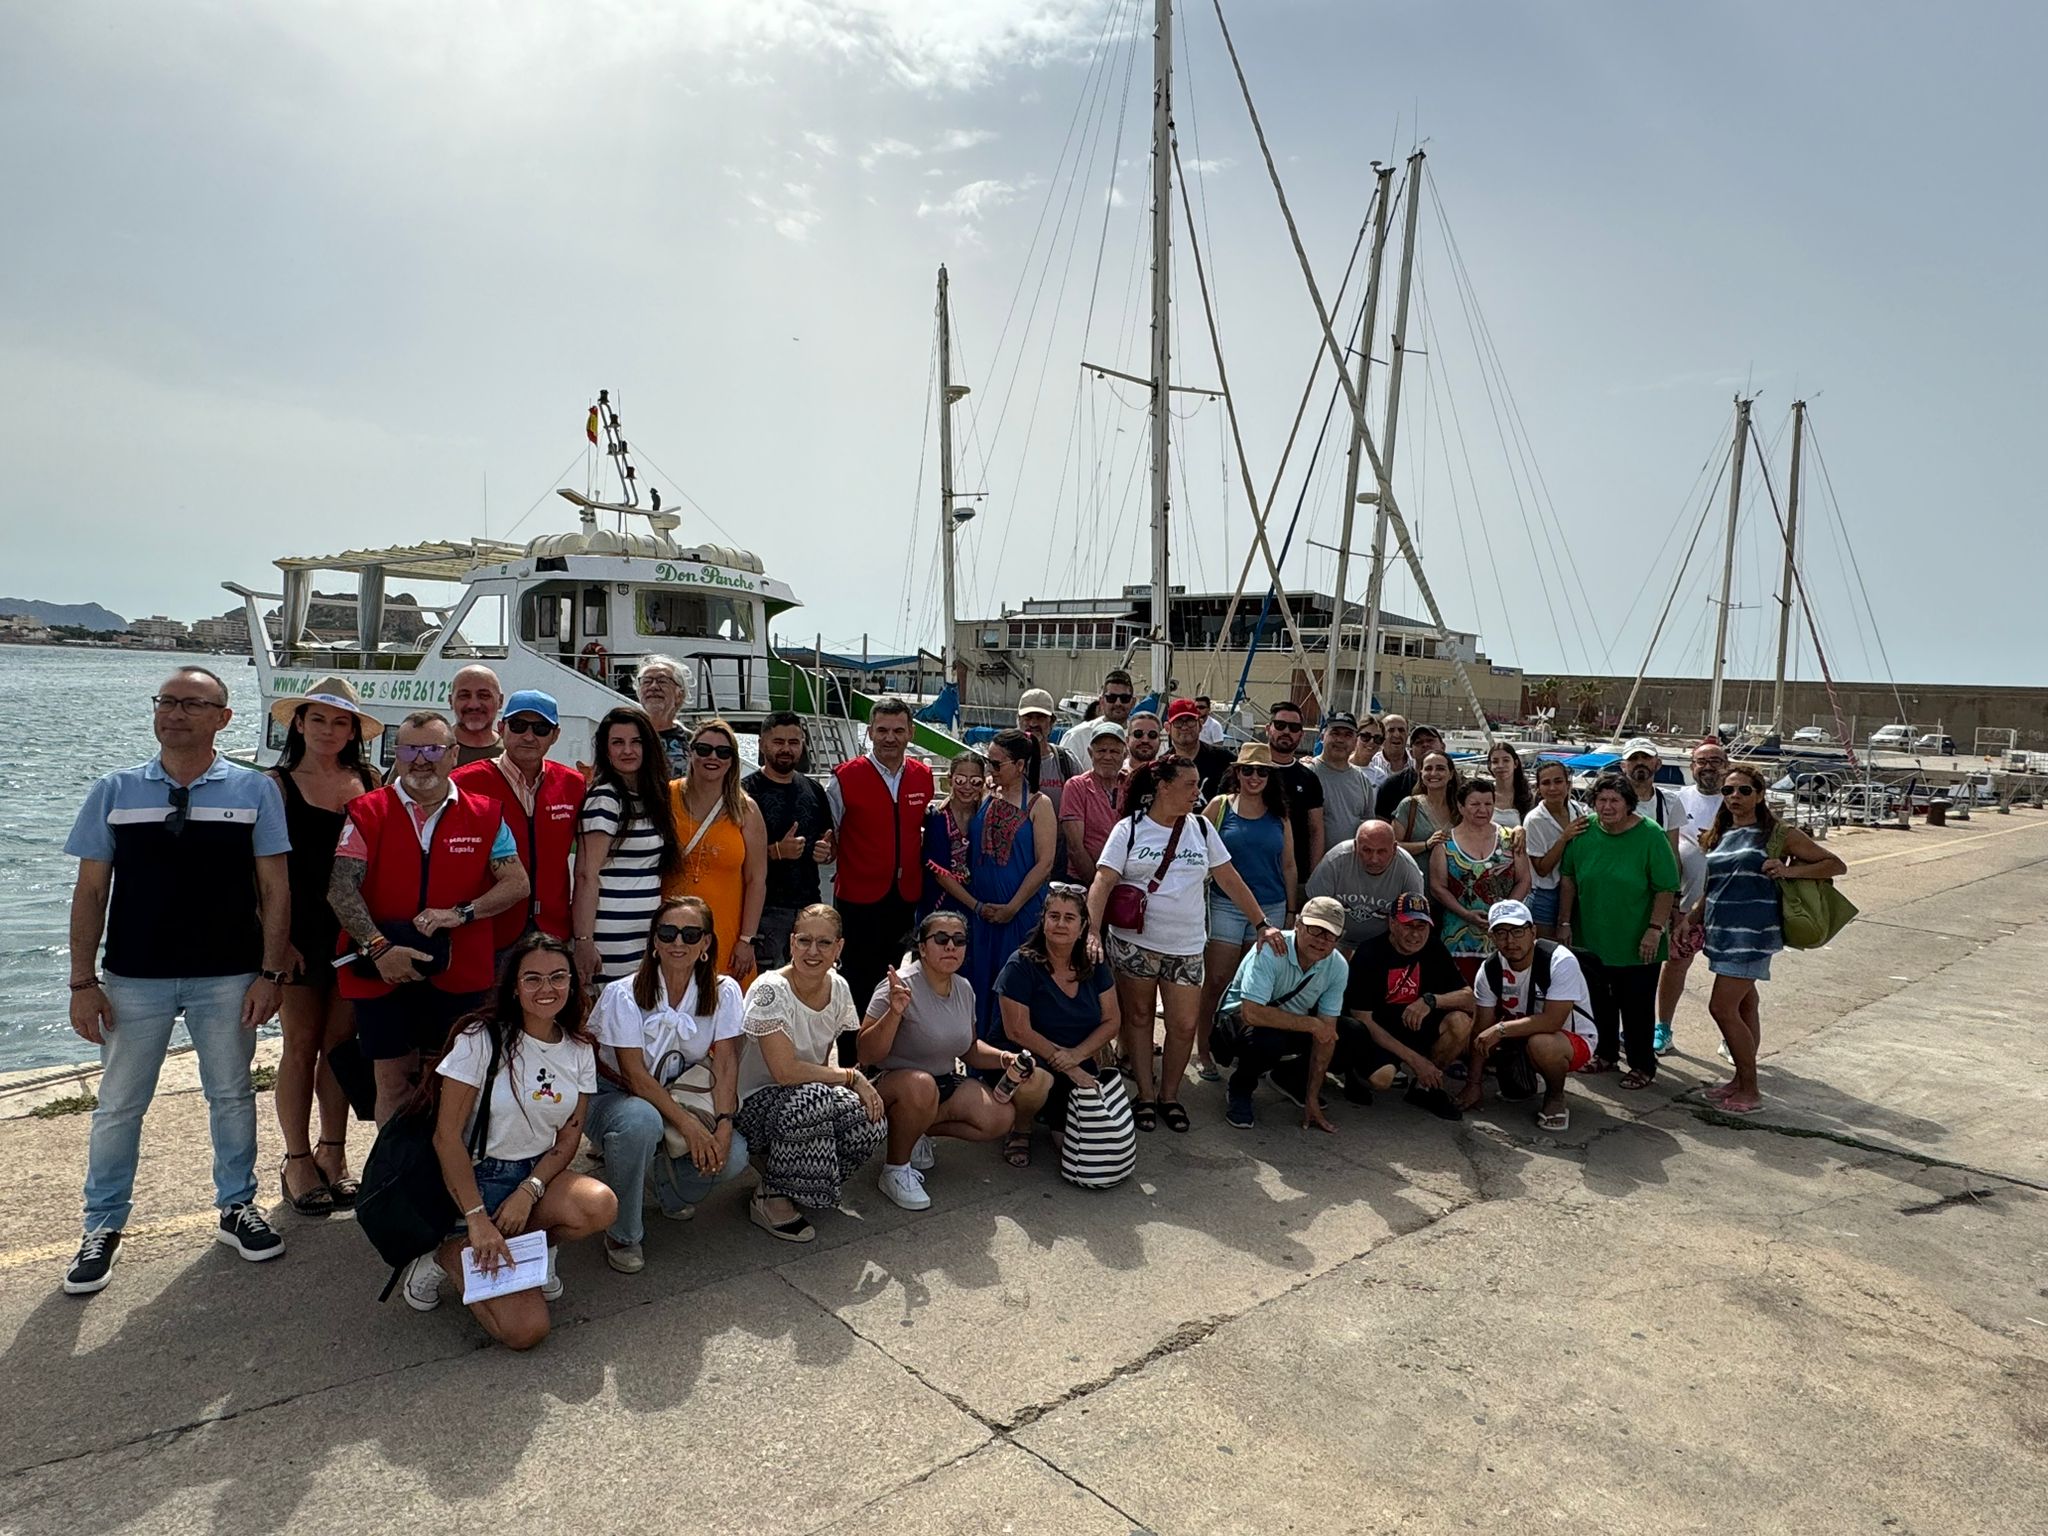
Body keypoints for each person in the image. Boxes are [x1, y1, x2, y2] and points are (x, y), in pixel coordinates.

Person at [62, 667, 292, 1294]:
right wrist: (83, 981)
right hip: (134, 976)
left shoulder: (254, 790)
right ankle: (102, 1225)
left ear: (224, 717)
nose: (176, 713)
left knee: (231, 1094)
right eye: (166, 701)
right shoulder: (114, 790)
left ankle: (236, 1207)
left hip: (229, 974)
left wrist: (271, 973)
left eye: (193, 704)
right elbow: (90, 890)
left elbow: (275, 888)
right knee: (118, 1106)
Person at [402, 934, 615, 1348]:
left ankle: (533, 1250)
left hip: (536, 1174)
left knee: (599, 1204)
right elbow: (446, 1138)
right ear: (514, 987)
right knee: (526, 1331)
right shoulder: (480, 1039)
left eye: (557, 977)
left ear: (572, 983)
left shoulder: (579, 1048)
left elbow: (569, 1135)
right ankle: (448, 1252)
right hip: (476, 1179)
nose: (546, 989)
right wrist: (478, 1218)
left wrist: (529, 1190)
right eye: (532, 979)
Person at [330, 711, 532, 1122]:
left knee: (454, 1080)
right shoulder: (368, 811)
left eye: (433, 749)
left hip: (459, 970)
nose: (421, 759)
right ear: (397, 755)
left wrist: (462, 914)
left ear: (453, 754)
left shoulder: (485, 814)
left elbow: (516, 884)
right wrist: (379, 948)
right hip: (381, 968)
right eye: (410, 749)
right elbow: (340, 888)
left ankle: (449, 1174)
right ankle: (397, 1176)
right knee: (391, 1082)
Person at [1086, 754, 1286, 1133]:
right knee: (1140, 1019)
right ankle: (1146, 1094)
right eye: (1190, 785)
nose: (1197, 792)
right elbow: (1103, 882)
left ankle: (1170, 1095)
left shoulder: (1202, 829)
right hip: (1133, 944)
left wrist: (1261, 923)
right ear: (1163, 787)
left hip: (1188, 945)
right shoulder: (1129, 829)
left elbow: (1229, 878)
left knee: (1182, 1024)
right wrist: (1093, 931)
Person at [582, 897, 751, 1273]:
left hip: (678, 1094)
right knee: (641, 1122)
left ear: (706, 943)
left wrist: (723, 1123)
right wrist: (690, 1128)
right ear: (654, 941)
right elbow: (635, 1076)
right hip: (615, 1094)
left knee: (734, 1153)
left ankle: (660, 1182)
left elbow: (725, 1062)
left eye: (691, 934)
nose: (679, 943)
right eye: (667, 933)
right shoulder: (624, 993)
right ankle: (623, 1231)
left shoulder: (725, 992)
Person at [268, 676, 382, 1215]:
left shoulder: (370, 779)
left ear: (354, 731)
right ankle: (296, 1158)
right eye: (319, 719)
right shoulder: (275, 785)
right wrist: (276, 942)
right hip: (298, 934)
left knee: (340, 1044)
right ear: (299, 723)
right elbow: (260, 876)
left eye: (341, 722)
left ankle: (333, 1152)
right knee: (300, 1044)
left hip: (353, 933)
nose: (330, 730)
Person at [1692, 763, 1844, 1113]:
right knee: (1744, 1005)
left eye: (1744, 790)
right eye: (1728, 791)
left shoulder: (1776, 833)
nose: (1734, 797)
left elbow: (1834, 864)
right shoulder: (1721, 832)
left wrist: (1789, 870)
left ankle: (1751, 1089)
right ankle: (1739, 1081)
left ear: (1760, 795)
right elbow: (1714, 885)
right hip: (1723, 933)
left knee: (1721, 1007)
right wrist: (1693, 917)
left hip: (1754, 935)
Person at [735, 905, 889, 1243]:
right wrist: (852, 1078)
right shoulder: (770, 988)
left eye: (823, 942)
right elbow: (785, 1071)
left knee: (869, 1119)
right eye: (804, 940)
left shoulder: (838, 987)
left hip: (800, 1099)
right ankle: (772, 1197)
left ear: (839, 948)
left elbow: (818, 1061)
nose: (813, 951)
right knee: (816, 1097)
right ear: (791, 943)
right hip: (752, 1104)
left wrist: (848, 1090)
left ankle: (789, 1181)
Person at [859, 910, 1028, 1206]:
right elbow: (866, 1053)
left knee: (999, 1117)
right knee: (922, 1086)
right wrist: (894, 1013)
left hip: (942, 1083)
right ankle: (895, 1169)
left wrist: (1005, 1058)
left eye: (959, 940)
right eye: (941, 939)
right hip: (890, 1085)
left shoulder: (964, 988)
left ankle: (914, 1131)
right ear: (922, 947)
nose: (951, 946)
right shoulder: (896, 986)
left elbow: (969, 1048)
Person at [930, 729, 1056, 1039]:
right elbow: (953, 808)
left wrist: (1012, 907)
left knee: (1015, 988)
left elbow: (1046, 863)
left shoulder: (1040, 805)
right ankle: (978, 1058)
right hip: (981, 913)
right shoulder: (987, 794)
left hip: (1021, 911)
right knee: (978, 983)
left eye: (997, 764)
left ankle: (1013, 1061)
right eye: (989, 762)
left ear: (1021, 765)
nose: (990, 769)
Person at [1557, 771, 1680, 1087]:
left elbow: (1666, 886)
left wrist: (1655, 929)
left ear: (1628, 804)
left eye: (1615, 800)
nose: (1607, 806)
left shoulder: (1650, 834)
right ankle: (1606, 1054)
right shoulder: (1583, 833)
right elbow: (1568, 879)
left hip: (1638, 940)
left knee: (1637, 1007)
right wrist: (1565, 922)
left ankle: (1642, 1066)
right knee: (1600, 1002)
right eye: (1601, 800)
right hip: (1592, 937)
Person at [451, 690, 584, 974]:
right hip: (490, 930)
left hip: (554, 927)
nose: (529, 736)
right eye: (519, 726)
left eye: (541, 728)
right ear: (501, 728)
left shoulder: (573, 784)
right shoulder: (464, 782)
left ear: (555, 735)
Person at [827, 699, 936, 1041]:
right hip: (858, 898)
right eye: (883, 730)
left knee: (893, 980)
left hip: (904, 899)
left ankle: (882, 1053)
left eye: (898, 731)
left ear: (911, 733)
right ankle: (850, 1058)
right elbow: (829, 833)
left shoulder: (923, 776)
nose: (890, 738)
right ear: (870, 732)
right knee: (855, 983)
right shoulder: (845, 778)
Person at [996, 886, 1122, 1163]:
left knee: (1077, 1152)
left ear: (1082, 926)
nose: (1060, 924)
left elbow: (1112, 1021)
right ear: (1043, 921)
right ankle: (1021, 1129)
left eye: (1069, 918)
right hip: (1028, 1058)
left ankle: (1052, 1115)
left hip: (1075, 1057)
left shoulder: (1094, 963)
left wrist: (1076, 1057)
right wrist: (1068, 1064)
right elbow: (1017, 1031)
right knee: (1038, 1080)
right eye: (1053, 916)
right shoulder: (1020, 965)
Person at [1193, 744, 1296, 1083]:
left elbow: (1289, 865)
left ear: (1271, 776)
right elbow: (1194, 850)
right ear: (1236, 772)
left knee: (1254, 986)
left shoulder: (1279, 814)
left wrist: (1291, 912)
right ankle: (1204, 1048)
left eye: (1262, 771)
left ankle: (1241, 1048)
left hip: (1272, 905)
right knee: (1218, 980)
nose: (1255, 776)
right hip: (1225, 904)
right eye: (1248, 770)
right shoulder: (1219, 807)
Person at [1460, 900, 1598, 1133]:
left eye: (1517, 931)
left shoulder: (1559, 960)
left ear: (1532, 931)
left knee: (1541, 1043)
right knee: (1510, 1081)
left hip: (1570, 1038)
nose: (1510, 941)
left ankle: (1556, 1098)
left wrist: (1500, 1029)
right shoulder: (1489, 969)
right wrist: (1473, 1084)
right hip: (1519, 1034)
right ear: (1491, 937)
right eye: (1501, 933)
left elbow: (1552, 1021)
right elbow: (1480, 1027)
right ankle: (1530, 1078)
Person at [1218, 896, 1351, 1133]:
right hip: (1237, 1024)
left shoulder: (1338, 965)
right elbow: (1251, 1013)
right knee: (1268, 1041)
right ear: (1298, 924)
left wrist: (1313, 1095)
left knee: (1349, 1035)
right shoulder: (1271, 948)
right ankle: (1240, 1088)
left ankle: (1290, 1078)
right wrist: (1311, 1024)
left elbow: (1327, 1030)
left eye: (1330, 935)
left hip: (1289, 1022)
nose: (1321, 940)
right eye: (1315, 929)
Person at [572, 705, 682, 985]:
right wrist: (583, 941)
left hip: (645, 936)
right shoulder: (605, 799)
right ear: (606, 751)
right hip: (610, 937)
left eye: (636, 742)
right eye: (617, 743)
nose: (627, 751)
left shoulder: (650, 797)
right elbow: (586, 874)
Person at [1340, 893, 1476, 1118]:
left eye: (1421, 926)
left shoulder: (1433, 948)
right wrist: (1415, 1061)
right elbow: (1362, 1017)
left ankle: (1425, 1088)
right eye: (1408, 925)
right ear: (1392, 923)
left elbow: (1470, 997)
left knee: (1460, 1022)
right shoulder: (1369, 953)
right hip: (1378, 1031)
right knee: (1382, 1079)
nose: (1415, 934)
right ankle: (1353, 1074)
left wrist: (1431, 1000)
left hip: (1415, 1024)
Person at [666, 717, 769, 984]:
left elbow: (756, 880)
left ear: (733, 759)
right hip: (669, 932)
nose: (713, 757)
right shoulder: (667, 797)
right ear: (691, 752)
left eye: (723, 752)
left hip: (725, 930)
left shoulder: (746, 809)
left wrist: (746, 939)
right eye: (704, 749)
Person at [742, 712, 835, 968]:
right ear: (762, 744)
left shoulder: (814, 789)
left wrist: (826, 852)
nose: (786, 749)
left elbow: (828, 843)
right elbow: (734, 855)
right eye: (778, 742)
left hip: (808, 908)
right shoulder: (744, 792)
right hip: (763, 912)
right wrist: (775, 852)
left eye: (793, 742)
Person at [1657, 739, 1729, 1055]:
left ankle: (1732, 1037)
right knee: (1674, 967)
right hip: (1686, 910)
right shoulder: (1677, 800)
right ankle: (1663, 1029)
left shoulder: (1737, 799)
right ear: (1692, 766)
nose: (1709, 766)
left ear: (1726, 766)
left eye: (1716, 760)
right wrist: (1672, 903)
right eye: (1702, 761)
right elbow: (1668, 852)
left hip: (1728, 909)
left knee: (1733, 976)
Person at [1428, 776, 1533, 982]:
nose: (1482, 810)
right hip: (1458, 937)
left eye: (1488, 804)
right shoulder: (1445, 843)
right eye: (1475, 804)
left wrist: (1503, 912)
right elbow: (1437, 887)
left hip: (1505, 938)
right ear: (1461, 806)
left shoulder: (1510, 838)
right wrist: (1466, 914)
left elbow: (1524, 880)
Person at [1304, 819, 1427, 952]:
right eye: (1367, 850)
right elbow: (1313, 911)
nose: (1374, 859)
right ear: (1355, 846)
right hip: (1334, 942)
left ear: (1395, 848)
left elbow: (1414, 920)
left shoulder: (1408, 870)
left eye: (1381, 852)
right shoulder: (1335, 860)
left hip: (1383, 946)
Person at [382, 664, 503, 782]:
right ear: (451, 701)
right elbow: (390, 799)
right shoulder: (424, 750)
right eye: (464, 696)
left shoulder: (511, 753)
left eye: (484, 696)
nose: (474, 705)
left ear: (500, 701)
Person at [1522, 758, 1590, 939]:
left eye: (1558, 781)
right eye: (1546, 783)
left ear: (1568, 784)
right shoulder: (1534, 820)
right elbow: (1542, 869)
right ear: (1538, 788)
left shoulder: (1578, 810)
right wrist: (1564, 837)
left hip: (1575, 890)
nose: (1553, 788)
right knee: (1547, 950)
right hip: (1546, 894)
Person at [1263, 700, 1325, 885]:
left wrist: (1313, 877)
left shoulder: (1309, 779)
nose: (1286, 732)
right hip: (1247, 874)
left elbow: (1316, 829)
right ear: (1268, 728)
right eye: (1280, 725)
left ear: (1301, 734)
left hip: (1293, 875)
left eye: (1294, 727)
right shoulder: (1245, 771)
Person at [920, 752, 984, 922]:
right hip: (940, 905)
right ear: (950, 779)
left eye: (975, 781)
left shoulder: (985, 818)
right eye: (961, 780)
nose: (967, 787)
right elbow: (940, 874)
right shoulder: (938, 818)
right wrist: (977, 906)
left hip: (978, 902)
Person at [1059, 723, 1127, 875]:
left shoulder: (1132, 785)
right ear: (1090, 753)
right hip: (1083, 881)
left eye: (1115, 751)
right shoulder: (1077, 786)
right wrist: (1097, 886)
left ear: (1125, 755)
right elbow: (1075, 848)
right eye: (1101, 750)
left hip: (1125, 883)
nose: (1107, 757)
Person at [1308, 711, 1372, 849]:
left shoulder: (1363, 780)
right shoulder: (1308, 773)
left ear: (1355, 741)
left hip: (1353, 865)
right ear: (1322, 736)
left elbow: (1368, 824)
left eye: (1348, 735)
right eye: (1335, 733)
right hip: (1315, 865)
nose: (1340, 740)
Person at [1619, 738, 1684, 865]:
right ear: (1623, 766)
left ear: (1658, 764)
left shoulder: (1670, 801)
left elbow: (1673, 854)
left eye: (1646, 757)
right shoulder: (1607, 802)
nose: (1640, 762)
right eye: (1633, 758)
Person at [1014, 688, 1072, 829]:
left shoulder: (1066, 761)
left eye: (1040, 717)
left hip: (1057, 849)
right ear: (1018, 720)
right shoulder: (1005, 759)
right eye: (1028, 717)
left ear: (1052, 722)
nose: (1033, 724)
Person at [1060, 668, 1137, 770]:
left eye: (1124, 698)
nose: (1118, 703)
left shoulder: (1143, 737)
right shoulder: (1077, 736)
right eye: (1111, 698)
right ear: (1101, 701)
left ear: (1133, 702)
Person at [1391, 749, 1460, 859]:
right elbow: (1392, 846)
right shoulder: (1409, 806)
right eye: (1428, 768)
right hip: (1415, 875)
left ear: (1451, 774)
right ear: (1421, 774)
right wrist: (1426, 845)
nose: (1433, 773)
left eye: (1440, 768)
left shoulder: (1461, 809)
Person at [1165, 697, 1235, 799]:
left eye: (1190, 721)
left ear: (1201, 725)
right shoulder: (1163, 766)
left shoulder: (1224, 760)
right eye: (1178, 722)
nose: (1184, 727)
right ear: (1168, 728)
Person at [635, 654, 692, 779]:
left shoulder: (692, 741)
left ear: (679, 695)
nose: (653, 687)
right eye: (647, 681)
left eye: (662, 681)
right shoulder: (627, 736)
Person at [1374, 721, 1444, 820]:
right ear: (1411, 753)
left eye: (1430, 740)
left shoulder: (1459, 785)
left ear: (1443, 746)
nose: (1425, 745)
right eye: (1418, 742)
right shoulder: (1392, 786)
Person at [1487, 742, 1536, 828]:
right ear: (1490, 766)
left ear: (1515, 764)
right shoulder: (1485, 794)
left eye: (1506, 760)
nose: (1500, 765)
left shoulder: (1528, 796)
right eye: (1495, 762)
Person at [1349, 715, 1387, 780]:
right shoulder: (1338, 766)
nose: (1371, 741)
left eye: (1377, 738)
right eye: (1365, 736)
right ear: (1355, 737)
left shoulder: (1380, 776)